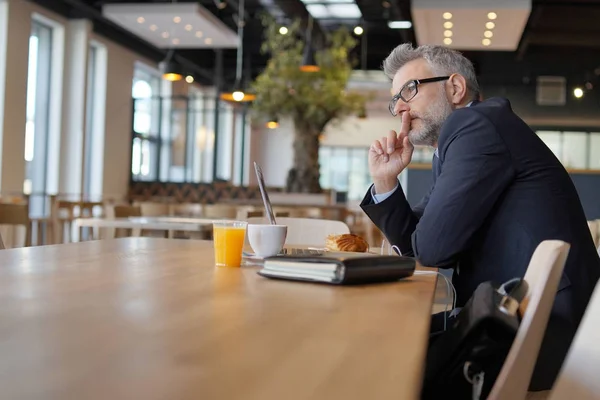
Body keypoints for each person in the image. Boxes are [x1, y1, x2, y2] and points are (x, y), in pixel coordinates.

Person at [360, 43, 600, 391]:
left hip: (538, 333)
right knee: (385, 341)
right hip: (516, 319)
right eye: (394, 99)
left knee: (381, 357)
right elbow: (419, 246)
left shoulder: (475, 126)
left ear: (455, 88)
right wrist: (384, 180)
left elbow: (430, 249)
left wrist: (421, 243)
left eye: (409, 91)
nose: (399, 107)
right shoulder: (461, 143)